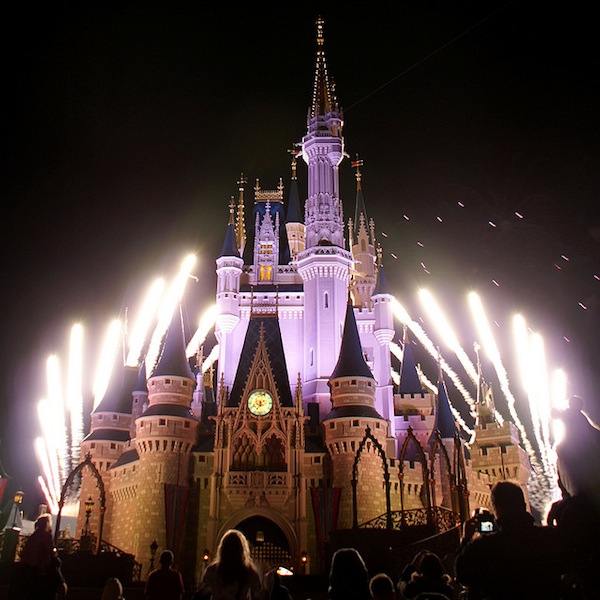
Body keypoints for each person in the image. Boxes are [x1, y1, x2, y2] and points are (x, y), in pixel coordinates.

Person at [455, 480, 568, 599]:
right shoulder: (549, 538)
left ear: (496, 510)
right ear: (524, 505)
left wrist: (466, 539)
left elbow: (462, 576)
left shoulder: (485, 548)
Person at [196, 529, 263, 600]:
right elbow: (258, 592)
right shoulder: (249, 572)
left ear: (222, 549)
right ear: (242, 550)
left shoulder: (212, 570)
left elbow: (203, 591)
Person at [19, 513, 67, 599]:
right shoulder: (46, 535)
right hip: (43, 568)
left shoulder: (33, 537)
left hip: (30, 569)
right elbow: (50, 552)